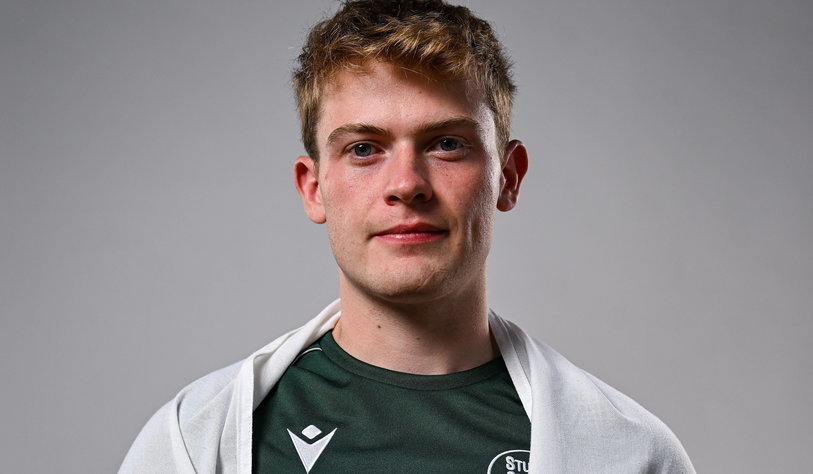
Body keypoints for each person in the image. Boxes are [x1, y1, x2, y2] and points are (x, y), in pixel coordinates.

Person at [120, 1, 694, 472]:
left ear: (508, 177)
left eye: (446, 144)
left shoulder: (629, 453)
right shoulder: (194, 442)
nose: (406, 185)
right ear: (314, 188)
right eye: (363, 149)